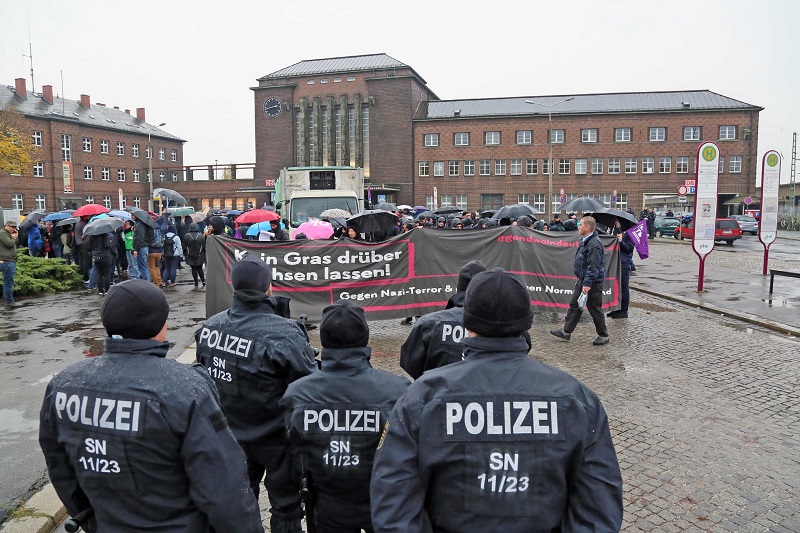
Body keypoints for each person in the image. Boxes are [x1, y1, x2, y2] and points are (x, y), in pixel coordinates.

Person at [371, 269, 623, 532]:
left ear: (467, 323)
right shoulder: (577, 400)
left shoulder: (422, 397)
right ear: (527, 323)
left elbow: (393, 505)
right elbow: (598, 510)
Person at [38, 279, 263, 532]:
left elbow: (60, 469)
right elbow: (223, 486)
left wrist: (92, 519)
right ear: (161, 324)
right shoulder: (185, 389)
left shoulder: (63, 385)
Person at [195, 255, 318, 533]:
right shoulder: (284, 333)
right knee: (286, 509)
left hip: (230, 435)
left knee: (238, 506)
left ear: (234, 286)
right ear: (268, 287)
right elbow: (307, 388)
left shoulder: (210, 327)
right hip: (278, 439)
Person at [280, 300, 410, 533]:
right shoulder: (397, 390)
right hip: (383, 502)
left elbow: (292, 448)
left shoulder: (298, 394)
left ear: (323, 339)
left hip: (329, 501)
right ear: (365, 338)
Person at [400, 260, 487, 379]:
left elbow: (410, 361)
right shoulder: (501, 325)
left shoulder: (429, 324)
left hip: (437, 388)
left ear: (459, 287)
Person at [551, 216, 610, 345]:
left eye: (581, 225)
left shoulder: (594, 244)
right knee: (575, 305)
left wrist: (588, 284)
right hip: (583, 279)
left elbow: (593, 266)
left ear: (587, 228)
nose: (578, 227)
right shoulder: (585, 240)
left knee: (594, 308)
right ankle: (566, 332)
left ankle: (603, 335)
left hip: (592, 282)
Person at [608, 219, 633, 319]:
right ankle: (616, 308)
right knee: (616, 287)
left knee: (623, 287)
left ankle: (623, 311)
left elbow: (629, 249)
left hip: (624, 263)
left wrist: (621, 241)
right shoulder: (618, 231)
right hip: (617, 262)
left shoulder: (630, 233)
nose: (615, 222)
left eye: (617, 221)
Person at [90, 229, 117, 297]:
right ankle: (107, 290)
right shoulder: (105, 235)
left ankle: (100, 291)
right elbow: (108, 245)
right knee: (106, 274)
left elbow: (89, 246)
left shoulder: (92, 236)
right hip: (105, 256)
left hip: (96, 256)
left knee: (99, 274)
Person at [1, 220, 20, 308]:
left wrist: (15, 236)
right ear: (6, 225)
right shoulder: (3, 233)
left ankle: (9, 301)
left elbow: (16, 244)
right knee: (8, 282)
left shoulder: (8, 234)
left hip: (9, 260)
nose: (13, 229)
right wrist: (14, 237)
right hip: (7, 261)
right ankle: (9, 302)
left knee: (8, 282)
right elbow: (9, 244)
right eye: (12, 227)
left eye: (15, 227)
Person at [182, 223, 206, 287]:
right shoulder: (200, 235)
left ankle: (196, 282)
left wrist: (185, 253)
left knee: (193, 268)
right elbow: (204, 246)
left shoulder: (187, 236)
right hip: (200, 255)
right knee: (200, 268)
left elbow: (184, 246)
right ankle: (203, 281)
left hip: (190, 255)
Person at [132, 216, 153, 282]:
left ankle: (146, 283)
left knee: (142, 267)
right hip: (144, 246)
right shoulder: (141, 223)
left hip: (141, 247)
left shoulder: (139, 224)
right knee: (144, 266)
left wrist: (136, 249)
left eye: (132, 215)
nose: (131, 216)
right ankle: (146, 282)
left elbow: (140, 237)